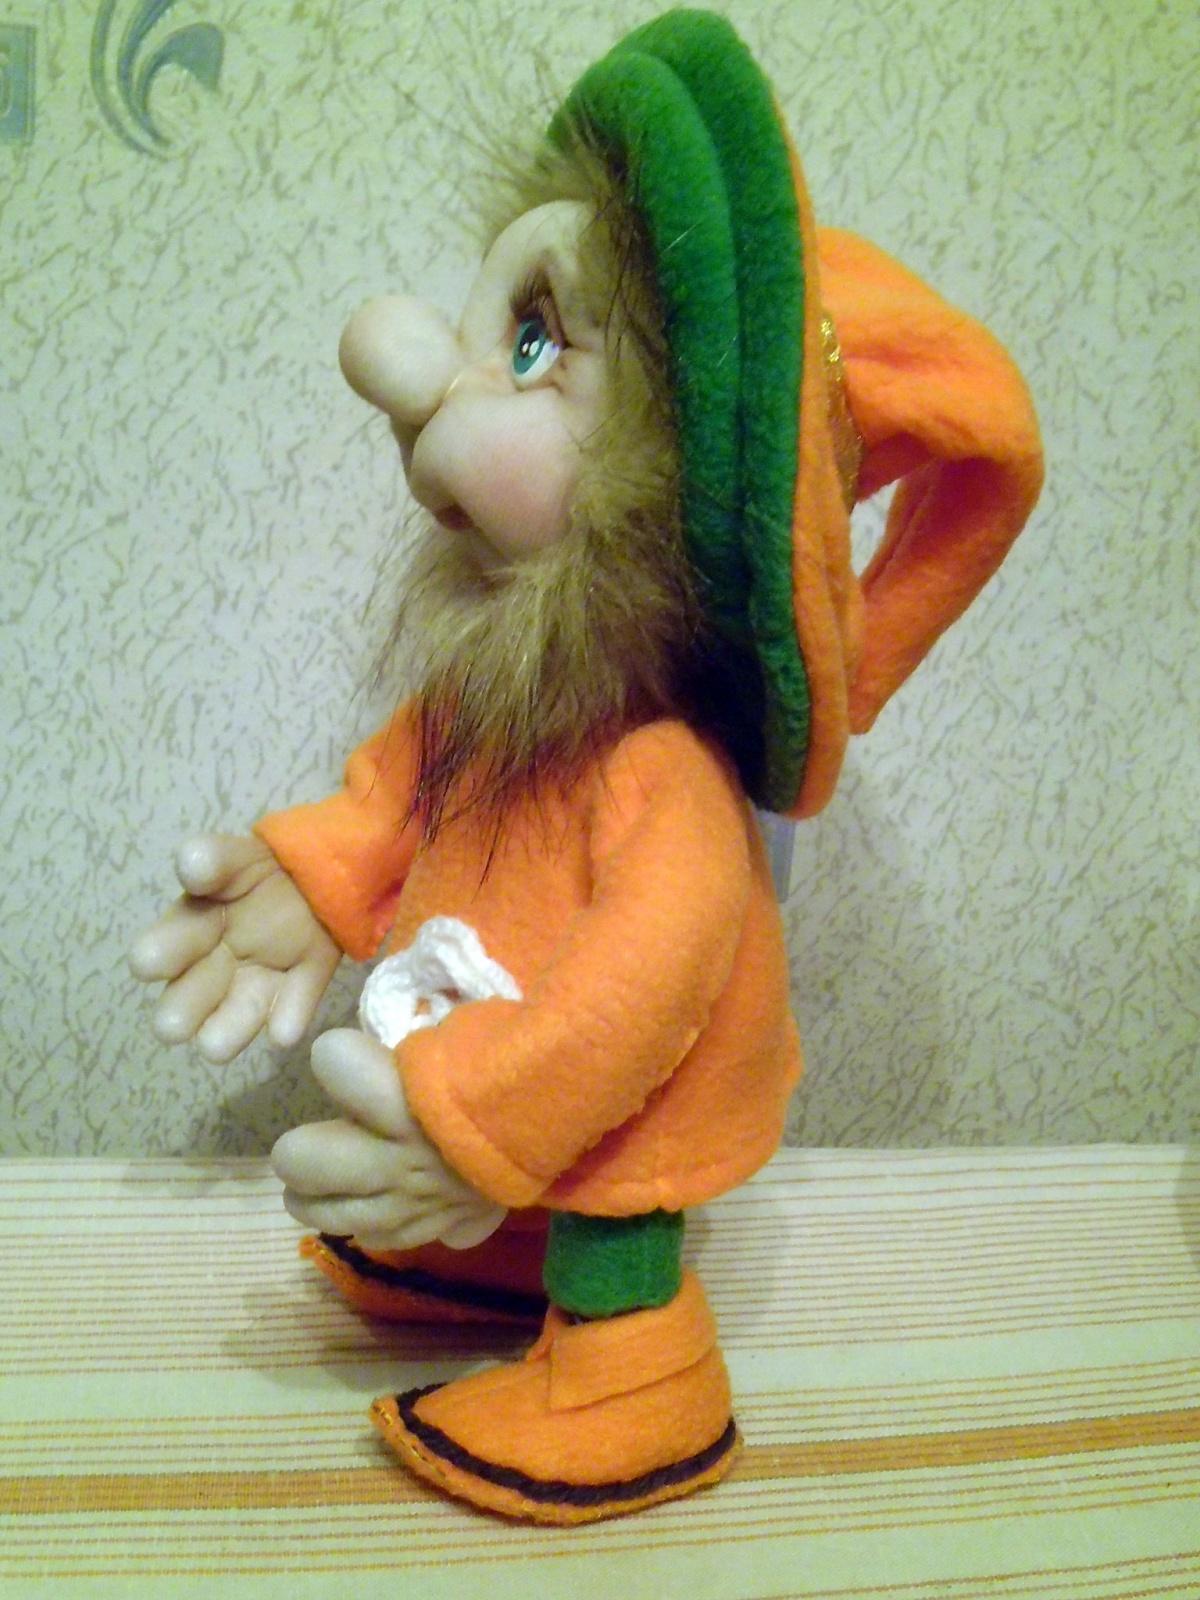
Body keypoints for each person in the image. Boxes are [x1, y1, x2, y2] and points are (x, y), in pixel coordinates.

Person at [130, 11, 1043, 1523]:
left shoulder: (663, 773)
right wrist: (308, 879)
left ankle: (635, 1368)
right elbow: (396, 794)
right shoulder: (498, 698)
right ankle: (506, 1249)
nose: (412, 361)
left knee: (621, 1177)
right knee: (545, 1162)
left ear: (669, 477)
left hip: (607, 1097)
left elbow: (635, 995)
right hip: (502, 1063)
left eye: (535, 342)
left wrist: (477, 1123)